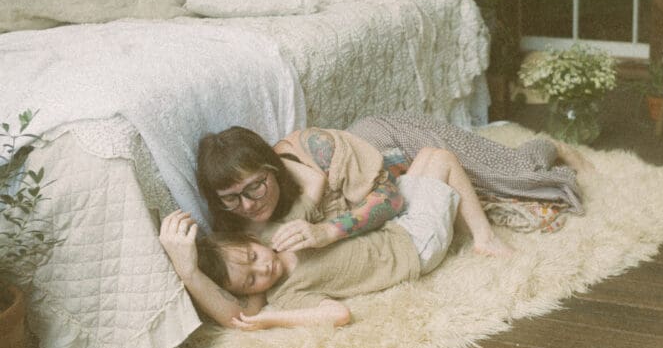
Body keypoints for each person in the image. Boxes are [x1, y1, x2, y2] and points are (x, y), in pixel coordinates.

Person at [160, 147, 514, 329]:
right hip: (413, 249)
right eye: (251, 280)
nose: (263, 269)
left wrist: (268, 158)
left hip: (394, 229)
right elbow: (337, 315)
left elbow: (315, 183)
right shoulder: (286, 296)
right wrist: (188, 272)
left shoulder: (283, 235)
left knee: (425, 157)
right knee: (442, 159)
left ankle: (473, 228)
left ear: (253, 241)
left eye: (254, 257)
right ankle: (484, 238)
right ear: (246, 293)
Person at [196, 113, 587, 255]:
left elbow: (388, 197)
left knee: (513, 174)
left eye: (255, 189)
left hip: (393, 142)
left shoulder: (317, 149)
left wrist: (327, 229)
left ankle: (549, 146)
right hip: (378, 168)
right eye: (232, 199)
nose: (248, 205)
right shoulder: (238, 217)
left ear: (271, 168)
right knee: (475, 200)